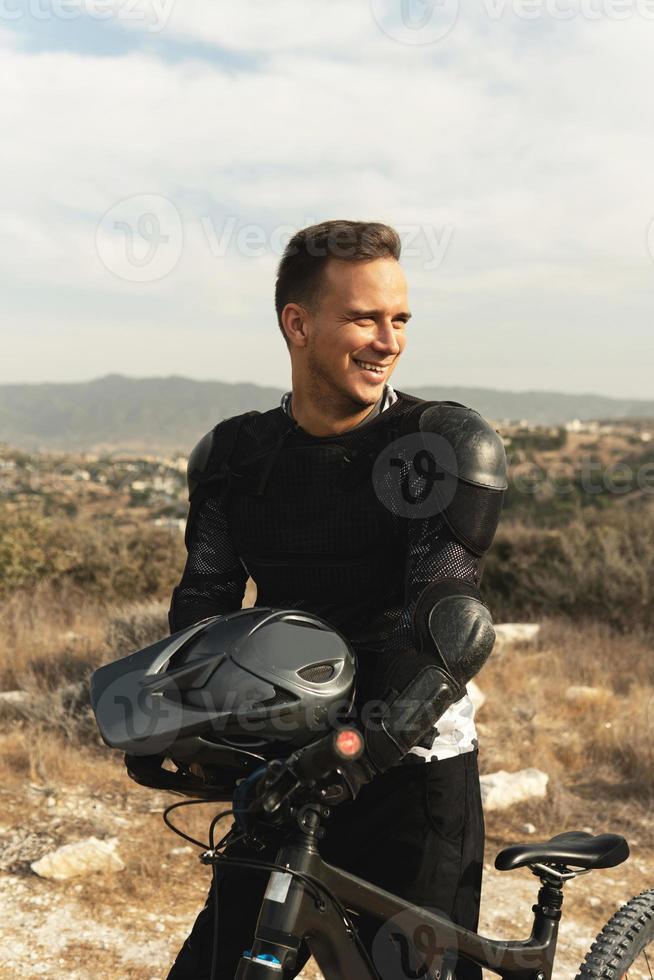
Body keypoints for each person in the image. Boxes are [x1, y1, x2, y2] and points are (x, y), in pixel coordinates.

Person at [166, 220, 507, 979]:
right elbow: (204, 607)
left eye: (400, 320)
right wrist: (180, 720)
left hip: (408, 773)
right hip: (284, 769)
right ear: (298, 323)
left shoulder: (439, 446)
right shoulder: (233, 459)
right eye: (364, 318)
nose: (389, 340)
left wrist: (347, 754)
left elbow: (447, 633)